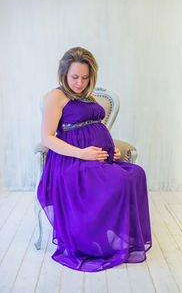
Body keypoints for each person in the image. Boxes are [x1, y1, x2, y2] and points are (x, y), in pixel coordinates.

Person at [37, 46, 152, 272]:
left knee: (137, 173)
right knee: (121, 181)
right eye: (74, 77)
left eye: (85, 77)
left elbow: (93, 128)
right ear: (64, 74)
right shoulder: (57, 96)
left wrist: (110, 151)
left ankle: (117, 235)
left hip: (96, 158)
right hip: (70, 162)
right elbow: (47, 138)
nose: (79, 82)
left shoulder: (87, 96)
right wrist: (83, 154)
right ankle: (95, 240)